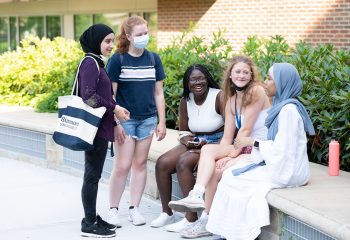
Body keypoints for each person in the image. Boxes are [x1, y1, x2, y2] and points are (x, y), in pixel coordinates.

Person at [206, 63, 315, 240]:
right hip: (280, 164)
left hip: (290, 171)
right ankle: (232, 232)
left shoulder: (288, 110)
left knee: (233, 178)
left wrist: (253, 142)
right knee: (230, 175)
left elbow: (283, 151)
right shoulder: (282, 107)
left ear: (282, 83)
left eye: (270, 79)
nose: (265, 82)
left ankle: (240, 234)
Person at [168, 55, 271, 238]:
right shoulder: (231, 100)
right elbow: (227, 136)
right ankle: (196, 195)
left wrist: (230, 157)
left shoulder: (256, 91)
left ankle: (207, 220)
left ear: (251, 75)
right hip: (241, 146)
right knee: (208, 150)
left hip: (257, 148)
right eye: (237, 71)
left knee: (216, 171)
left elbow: (246, 129)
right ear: (230, 75)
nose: (241, 75)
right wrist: (223, 155)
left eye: (246, 72)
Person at [106, 15, 166, 227]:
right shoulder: (117, 59)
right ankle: (113, 210)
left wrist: (162, 122)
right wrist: (116, 122)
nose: (144, 37)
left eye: (146, 33)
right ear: (129, 37)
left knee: (140, 164)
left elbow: (158, 93)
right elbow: (110, 96)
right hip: (126, 120)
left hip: (148, 119)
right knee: (122, 166)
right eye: (139, 34)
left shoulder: (153, 59)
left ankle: (135, 209)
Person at [150, 64, 225, 232]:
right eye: (193, 79)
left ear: (207, 79)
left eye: (201, 78)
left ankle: (190, 219)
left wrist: (213, 148)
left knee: (183, 162)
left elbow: (231, 129)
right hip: (194, 140)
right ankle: (167, 213)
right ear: (187, 82)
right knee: (162, 163)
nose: (197, 82)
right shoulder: (186, 100)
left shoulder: (219, 96)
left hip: (216, 143)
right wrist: (188, 142)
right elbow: (183, 130)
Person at [78, 24, 130, 238]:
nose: (111, 45)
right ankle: (89, 224)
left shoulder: (96, 62)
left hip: (100, 127)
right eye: (107, 41)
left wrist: (116, 119)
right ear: (96, 41)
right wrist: (114, 108)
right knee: (91, 176)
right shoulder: (90, 63)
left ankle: (90, 217)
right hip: (94, 130)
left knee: (93, 175)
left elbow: (103, 94)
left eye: (112, 40)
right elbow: (88, 97)